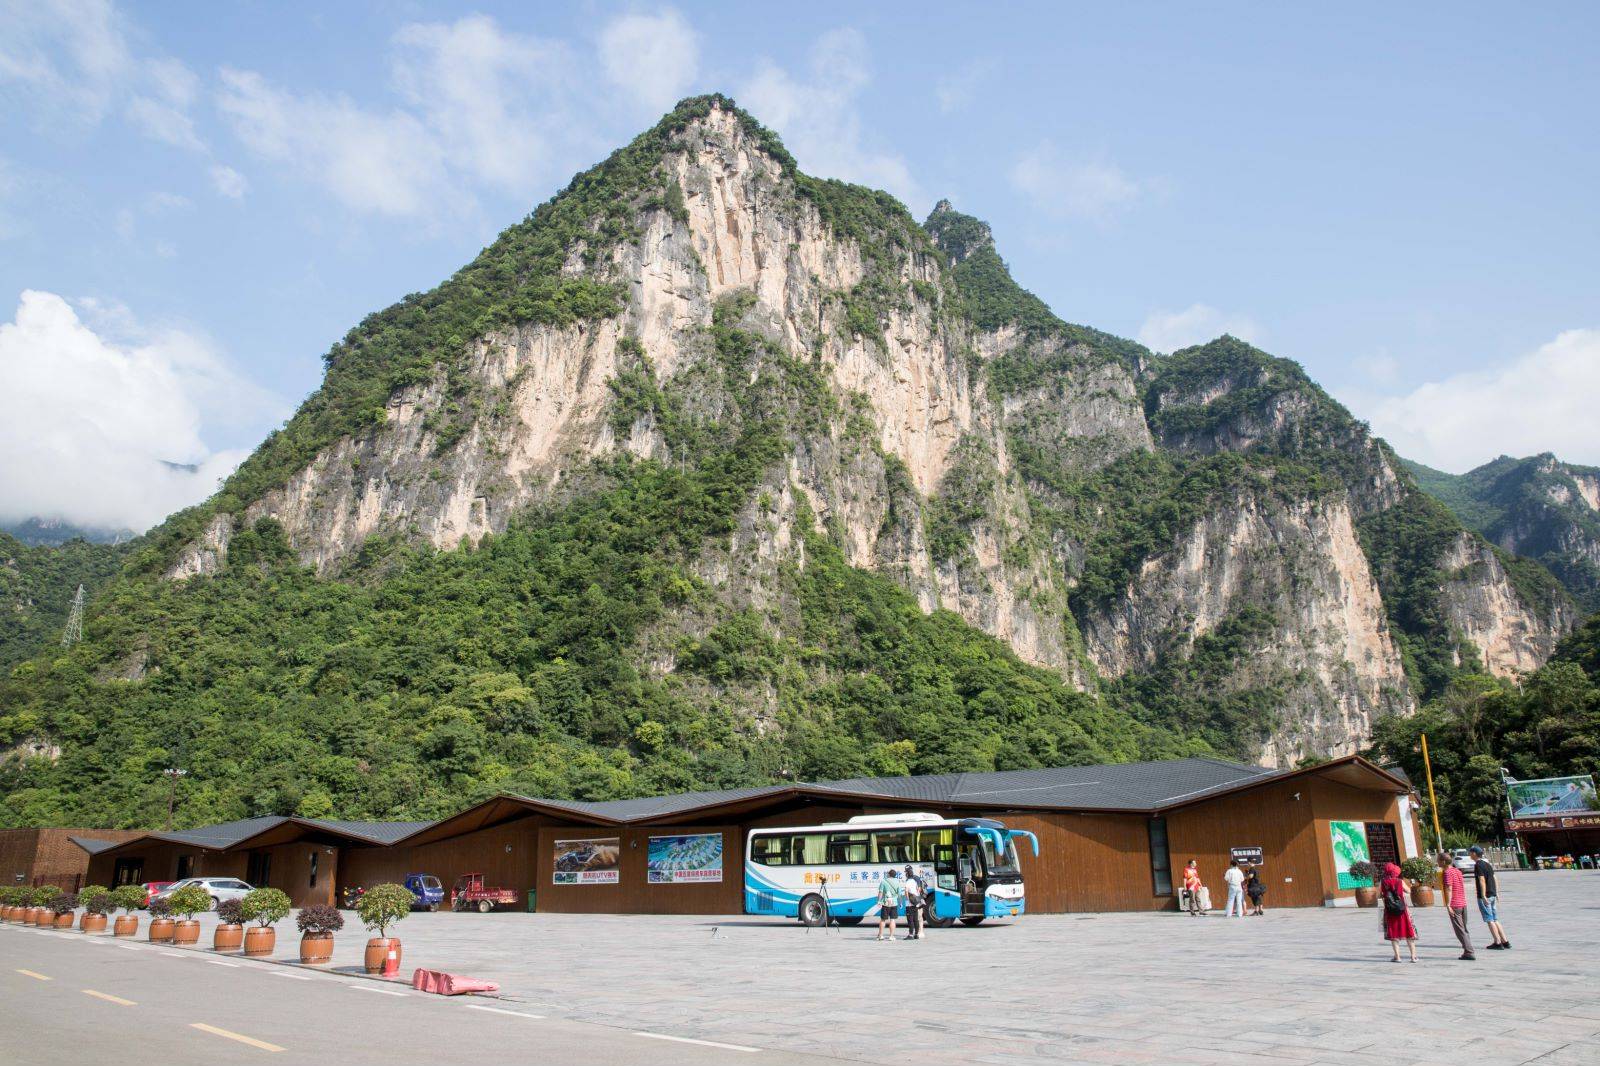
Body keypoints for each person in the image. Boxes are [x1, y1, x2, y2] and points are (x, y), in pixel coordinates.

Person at [1469, 845, 1510, 950]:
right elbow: (1494, 877)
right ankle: (1505, 941)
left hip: (1486, 896)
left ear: (1474, 853)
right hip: (1492, 894)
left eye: (1470, 852)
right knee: (1495, 918)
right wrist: (1496, 892)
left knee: (1489, 919)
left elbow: (1481, 880)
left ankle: (1497, 942)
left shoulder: (1478, 865)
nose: (1469, 854)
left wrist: (1482, 895)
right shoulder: (1487, 864)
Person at [1437, 850, 1474, 960]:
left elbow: (1449, 888)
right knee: (1464, 928)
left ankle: (1469, 951)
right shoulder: (1457, 871)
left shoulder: (1447, 872)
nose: (1437, 863)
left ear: (1443, 861)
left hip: (1455, 904)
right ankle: (1467, 949)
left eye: (1438, 861)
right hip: (1463, 903)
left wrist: (1448, 905)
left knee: (1459, 929)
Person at [1379, 861, 1419, 963]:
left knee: (1393, 933)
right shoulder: (1400, 881)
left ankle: (1397, 957)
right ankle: (1413, 957)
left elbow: (1380, 895)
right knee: (1409, 931)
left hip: (1389, 910)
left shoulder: (1383, 882)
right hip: (1402, 909)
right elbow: (1409, 891)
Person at [876, 869, 903, 942]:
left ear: (888, 874)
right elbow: (900, 894)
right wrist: (900, 903)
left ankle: (881, 935)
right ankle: (891, 936)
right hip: (894, 903)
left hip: (885, 903)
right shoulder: (897, 882)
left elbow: (880, 892)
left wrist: (879, 901)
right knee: (892, 919)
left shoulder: (884, 881)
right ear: (895, 875)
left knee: (883, 919)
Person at [902, 865, 924, 940]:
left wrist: (908, 899)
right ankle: (916, 934)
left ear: (907, 874)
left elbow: (906, 891)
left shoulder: (908, 881)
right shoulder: (915, 881)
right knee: (915, 919)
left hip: (910, 904)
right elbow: (918, 890)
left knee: (910, 919)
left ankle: (910, 935)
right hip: (916, 903)